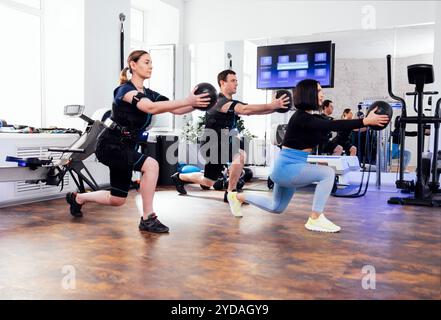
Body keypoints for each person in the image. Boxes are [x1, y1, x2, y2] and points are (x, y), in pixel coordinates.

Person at [65, 50, 211, 233]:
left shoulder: (150, 93)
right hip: (110, 145)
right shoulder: (124, 90)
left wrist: (198, 104)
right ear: (133, 65)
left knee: (117, 199)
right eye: (146, 62)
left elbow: (176, 109)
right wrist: (187, 100)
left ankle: (78, 199)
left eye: (151, 63)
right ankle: (148, 218)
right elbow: (149, 107)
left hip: (126, 147)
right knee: (151, 165)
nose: (151, 66)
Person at [228, 79, 389, 232]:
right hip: (288, 168)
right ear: (309, 94)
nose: (322, 94)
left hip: (286, 168)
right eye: (318, 90)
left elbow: (336, 126)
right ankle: (315, 217)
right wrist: (364, 121)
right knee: (328, 173)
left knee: (276, 207)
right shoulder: (301, 117)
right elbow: (331, 125)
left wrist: (368, 122)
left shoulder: (312, 118)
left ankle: (237, 197)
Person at [170, 69, 289, 217]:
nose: (236, 83)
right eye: (233, 80)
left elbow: (251, 111)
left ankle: (185, 179)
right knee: (221, 171)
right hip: (211, 144)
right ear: (222, 83)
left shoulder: (231, 103)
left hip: (224, 142)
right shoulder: (219, 101)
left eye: (236, 81)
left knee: (212, 178)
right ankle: (225, 191)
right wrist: (272, 105)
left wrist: (274, 108)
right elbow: (245, 109)